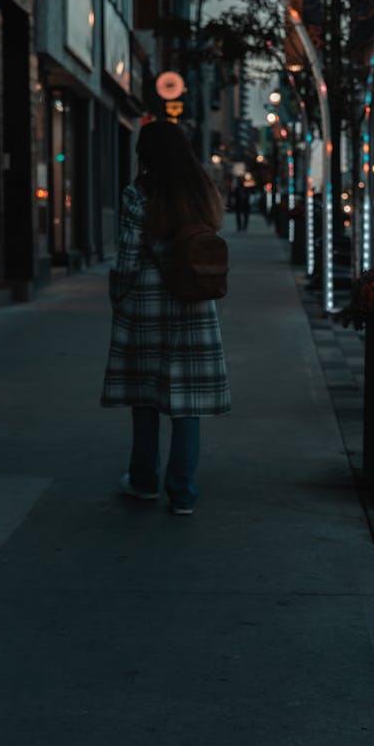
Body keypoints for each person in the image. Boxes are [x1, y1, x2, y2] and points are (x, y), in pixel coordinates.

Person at [101, 120, 230, 515]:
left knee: (146, 396)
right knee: (186, 402)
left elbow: (126, 258)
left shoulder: (138, 194)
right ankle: (183, 492)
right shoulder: (202, 191)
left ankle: (144, 481)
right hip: (195, 301)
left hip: (148, 302)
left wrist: (118, 297)